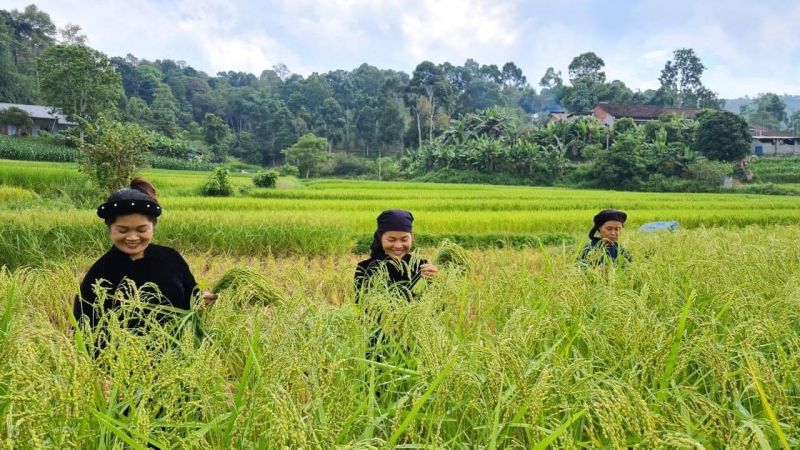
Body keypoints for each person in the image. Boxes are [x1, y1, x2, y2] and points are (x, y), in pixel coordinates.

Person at [73, 178, 217, 331]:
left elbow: (191, 298)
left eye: (141, 230)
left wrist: (202, 300)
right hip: (121, 346)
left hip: (175, 344)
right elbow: (83, 326)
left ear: (153, 226)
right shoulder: (99, 273)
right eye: (122, 230)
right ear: (110, 229)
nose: (132, 237)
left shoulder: (171, 258)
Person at [354, 209, 438, 302]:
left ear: (412, 238)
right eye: (391, 240)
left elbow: (434, 302)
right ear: (380, 238)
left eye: (404, 240)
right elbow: (362, 305)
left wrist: (434, 281)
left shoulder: (421, 266)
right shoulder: (365, 268)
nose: (398, 246)